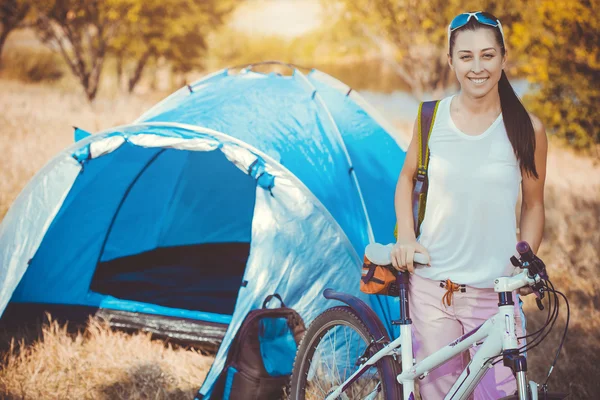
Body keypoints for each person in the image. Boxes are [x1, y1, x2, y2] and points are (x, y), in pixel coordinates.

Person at [390, 11, 548, 400]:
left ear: (503, 59)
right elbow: (407, 178)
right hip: (431, 289)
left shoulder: (528, 130)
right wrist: (407, 237)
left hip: (495, 296)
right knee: (439, 395)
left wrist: (526, 263)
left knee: (495, 394)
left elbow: (533, 205)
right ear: (451, 61)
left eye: (487, 55)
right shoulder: (430, 117)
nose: (477, 68)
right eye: (466, 57)